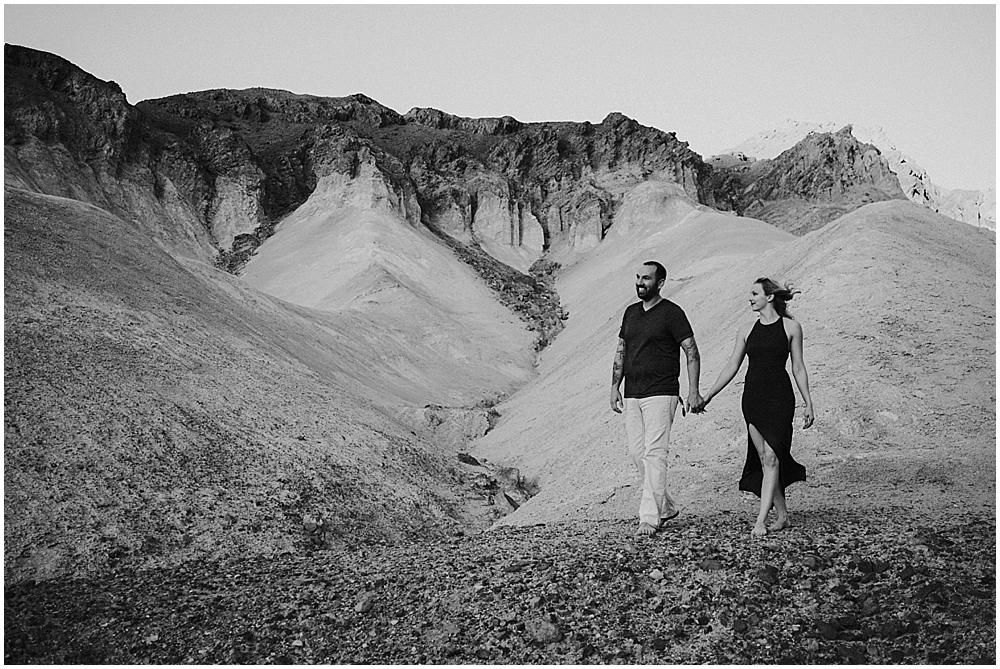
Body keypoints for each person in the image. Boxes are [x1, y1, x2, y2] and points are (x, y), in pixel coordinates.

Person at [703, 278, 814, 537]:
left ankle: (761, 520)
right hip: (752, 398)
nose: (750, 298)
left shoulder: (791, 327)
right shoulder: (745, 329)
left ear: (770, 297)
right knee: (765, 457)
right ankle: (783, 515)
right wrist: (709, 394)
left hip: (780, 398)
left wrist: (808, 402)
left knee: (773, 456)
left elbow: (798, 366)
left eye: (754, 294)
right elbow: (732, 365)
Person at [611, 261, 705, 537]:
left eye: (647, 278)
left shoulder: (672, 313)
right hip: (632, 393)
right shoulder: (630, 313)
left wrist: (693, 391)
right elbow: (622, 350)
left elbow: (692, 351)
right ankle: (665, 507)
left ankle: (649, 518)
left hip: (662, 392)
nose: (641, 282)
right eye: (638, 277)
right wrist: (614, 387)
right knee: (636, 453)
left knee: (655, 453)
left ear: (660, 283)